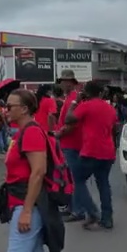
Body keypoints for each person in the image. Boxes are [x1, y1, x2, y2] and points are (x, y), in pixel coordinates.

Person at [3, 89, 49, 252]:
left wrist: (27, 211)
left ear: (23, 109)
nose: (6, 110)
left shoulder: (31, 132)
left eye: (9, 106)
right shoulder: (24, 132)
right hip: (26, 202)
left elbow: (38, 172)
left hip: (27, 202)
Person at [65, 81, 117, 230]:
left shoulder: (85, 106)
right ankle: (107, 218)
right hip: (107, 151)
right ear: (101, 93)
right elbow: (114, 128)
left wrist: (75, 102)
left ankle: (92, 211)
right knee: (103, 184)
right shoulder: (110, 108)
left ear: (86, 93)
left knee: (78, 180)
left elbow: (69, 119)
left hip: (90, 151)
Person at [54, 69, 85, 223]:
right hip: (67, 143)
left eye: (66, 81)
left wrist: (60, 133)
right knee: (69, 178)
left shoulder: (74, 99)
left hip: (72, 144)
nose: (63, 83)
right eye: (62, 81)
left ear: (71, 83)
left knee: (74, 179)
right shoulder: (69, 98)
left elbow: (73, 123)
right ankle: (72, 206)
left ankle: (78, 209)